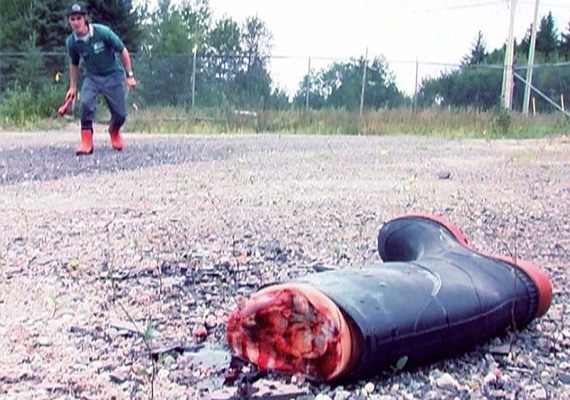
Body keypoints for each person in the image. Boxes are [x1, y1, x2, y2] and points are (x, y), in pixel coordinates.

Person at [64, 1, 136, 155]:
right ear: (69, 21)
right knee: (86, 104)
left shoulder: (103, 32)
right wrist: (72, 86)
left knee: (120, 115)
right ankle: (86, 141)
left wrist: (129, 75)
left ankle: (114, 130)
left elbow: (123, 50)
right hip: (92, 77)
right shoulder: (72, 42)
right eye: (72, 19)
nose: (76, 22)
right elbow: (74, 63)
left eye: (78, 18)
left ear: (85, 18)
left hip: (113, 75)